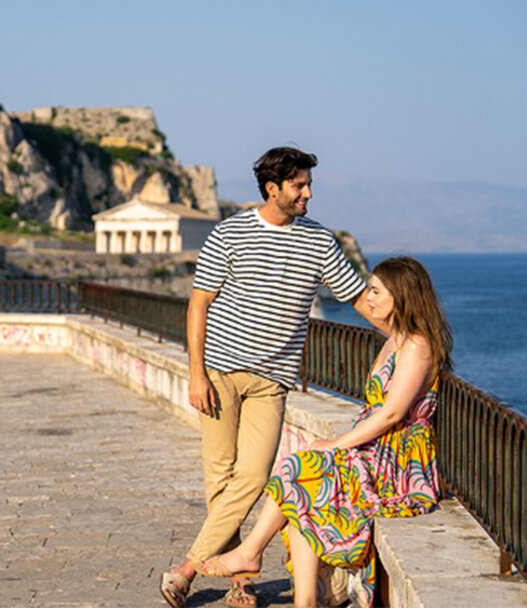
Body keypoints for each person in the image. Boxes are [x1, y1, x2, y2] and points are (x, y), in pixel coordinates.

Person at [161, 147, 376, 608]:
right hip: (219, 372)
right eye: (299, 185)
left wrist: (408, 333)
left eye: (309, 184)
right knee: (220, 478)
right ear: (272, 188)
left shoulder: (319, 241)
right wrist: (196, 375)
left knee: (254, 475)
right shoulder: (230, 233)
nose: (308, 193)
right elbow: (199, 304)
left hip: (271, 381)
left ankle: (187, 569)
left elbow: (357, 297)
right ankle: (241, 581)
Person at [185, 255, 451, 608]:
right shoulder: (396, 339)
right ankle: (303, 597)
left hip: (396, 465)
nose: (368, 298)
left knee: (299, 470)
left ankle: (252, 554)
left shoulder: (417, 345)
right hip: (376, 450)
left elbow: (392, 413)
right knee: (300, 484)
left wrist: (336, 445)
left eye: (376, 291)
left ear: (401, 296)